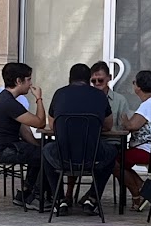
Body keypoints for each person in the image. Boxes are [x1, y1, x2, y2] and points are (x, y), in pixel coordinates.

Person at [44, 63, 117, 216]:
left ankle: (59, 199)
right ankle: (92, 198)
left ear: (69, 79)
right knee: (112, 152)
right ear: (89, 79)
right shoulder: (99, 95)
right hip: (92, 157)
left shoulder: (59, 94)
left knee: (45, 150)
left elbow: (52, 125)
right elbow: (109, 125)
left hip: (64, 157)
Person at [0, 62, 46, 209]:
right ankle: (35, 197)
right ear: (18, 81)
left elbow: (23, 129)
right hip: (2, 151)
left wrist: (38, 146)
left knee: (42, 151)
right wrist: (38, 98)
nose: (31, 83)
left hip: (6, 147)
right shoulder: (8, 103)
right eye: (29, 79)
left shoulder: (5, 99)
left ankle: (25, 194)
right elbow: (40, 123)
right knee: (47, 155)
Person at [118, 70, 151, 211]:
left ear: (138, 87)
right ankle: (142, 188)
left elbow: (131, 126)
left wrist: (122, 118)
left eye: (134, 82)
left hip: (150, 150)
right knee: (120, 160)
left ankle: (138, 193)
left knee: (114, 161)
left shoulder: (148, 105)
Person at [89, 61, 129, 129]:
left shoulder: (120, 100)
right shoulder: (88, 99)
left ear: (109, 77)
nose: (97, 83)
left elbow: (123, 128)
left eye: (100, 80)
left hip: (112, 138)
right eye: (93, 81)